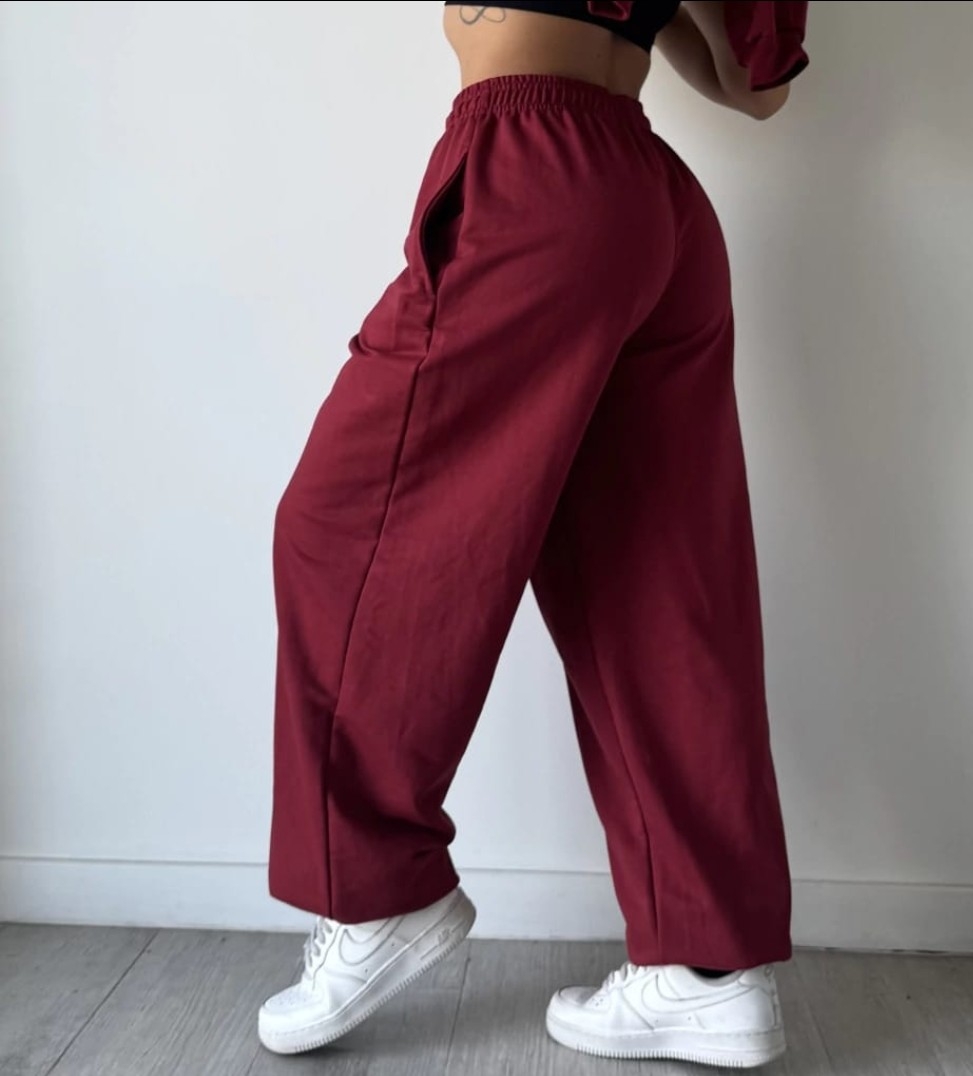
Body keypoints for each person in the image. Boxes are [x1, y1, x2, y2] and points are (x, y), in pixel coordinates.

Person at [258, 0, 808, 1067]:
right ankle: (707, 967)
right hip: (647, 202)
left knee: (339, 526)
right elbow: (757, 87)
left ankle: (376, 890)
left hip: (530, 169)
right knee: (652, 582)